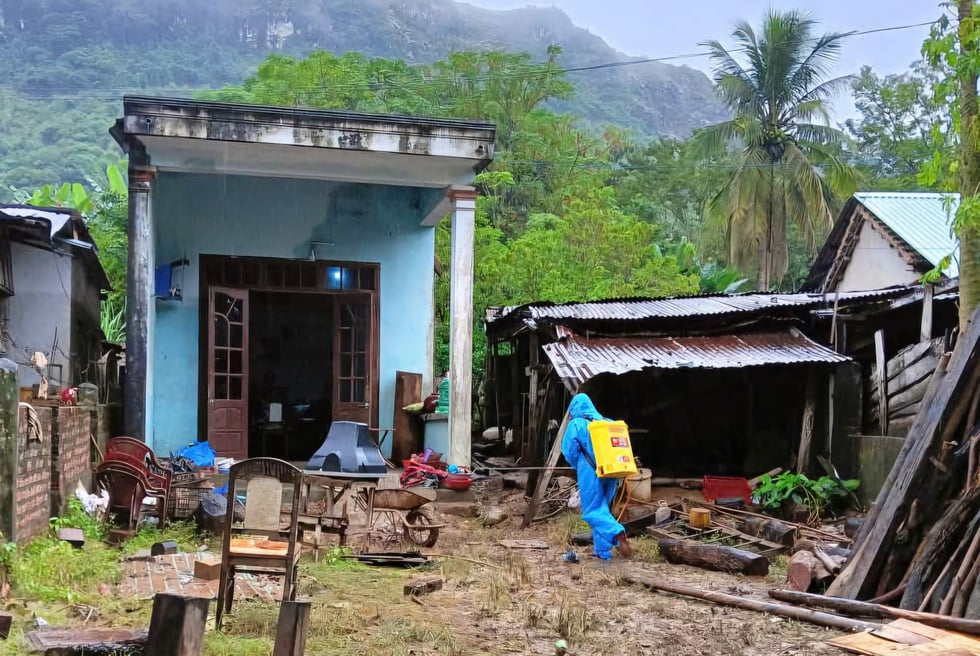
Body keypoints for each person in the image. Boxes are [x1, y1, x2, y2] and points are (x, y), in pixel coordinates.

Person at [561, 393, 633, 560]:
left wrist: (578, 464)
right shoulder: (607, 422)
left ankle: (617, 533)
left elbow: (569, 451)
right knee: (602, 508)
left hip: (590, 471)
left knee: (592, 510)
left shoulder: (577, 424)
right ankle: (602, 551)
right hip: (612, 471)